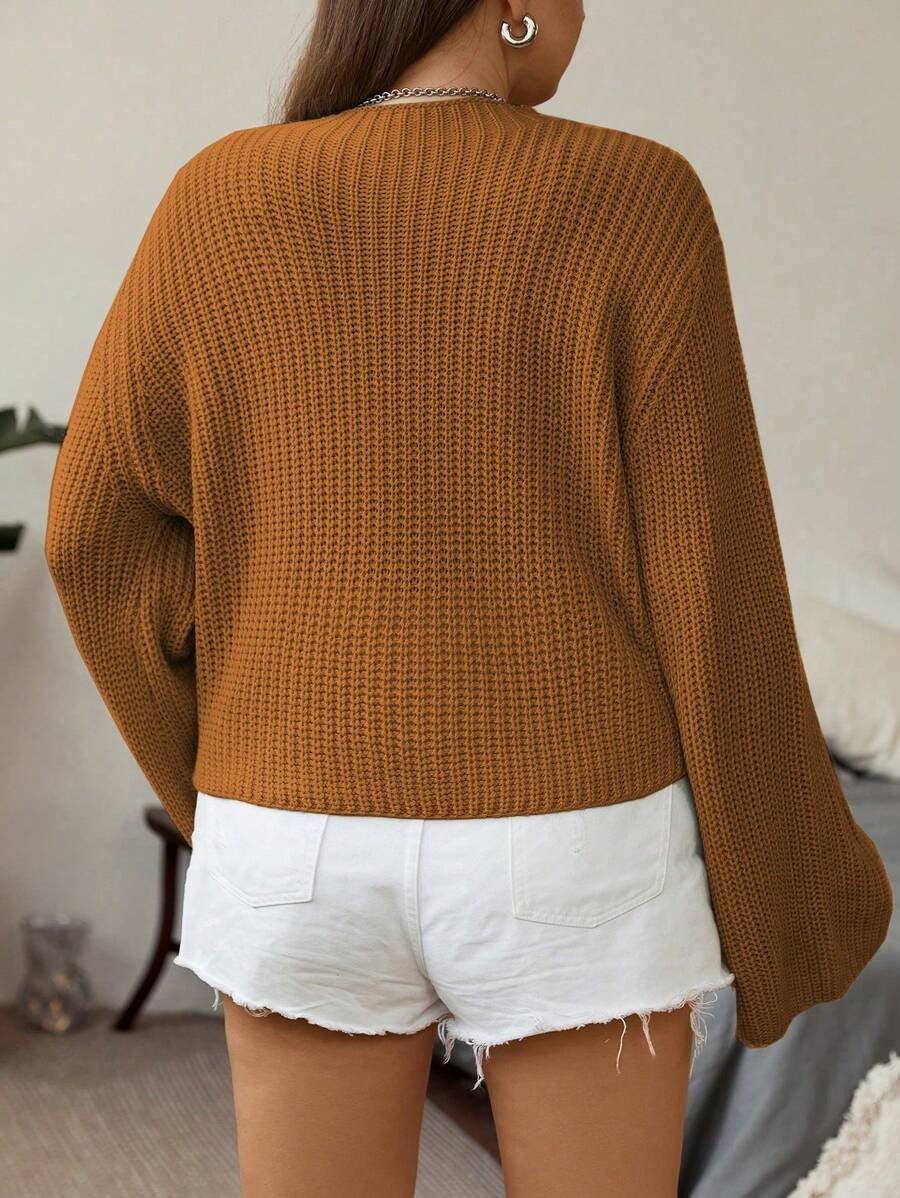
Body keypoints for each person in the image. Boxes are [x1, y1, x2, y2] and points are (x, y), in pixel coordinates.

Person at [44, 1, 892, 1195]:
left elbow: (91, 540)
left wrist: (218, 790)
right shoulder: (637, 194)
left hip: (294, 834)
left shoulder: (219, 197)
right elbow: (718, 584)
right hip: (576, 840)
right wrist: (790, 878)